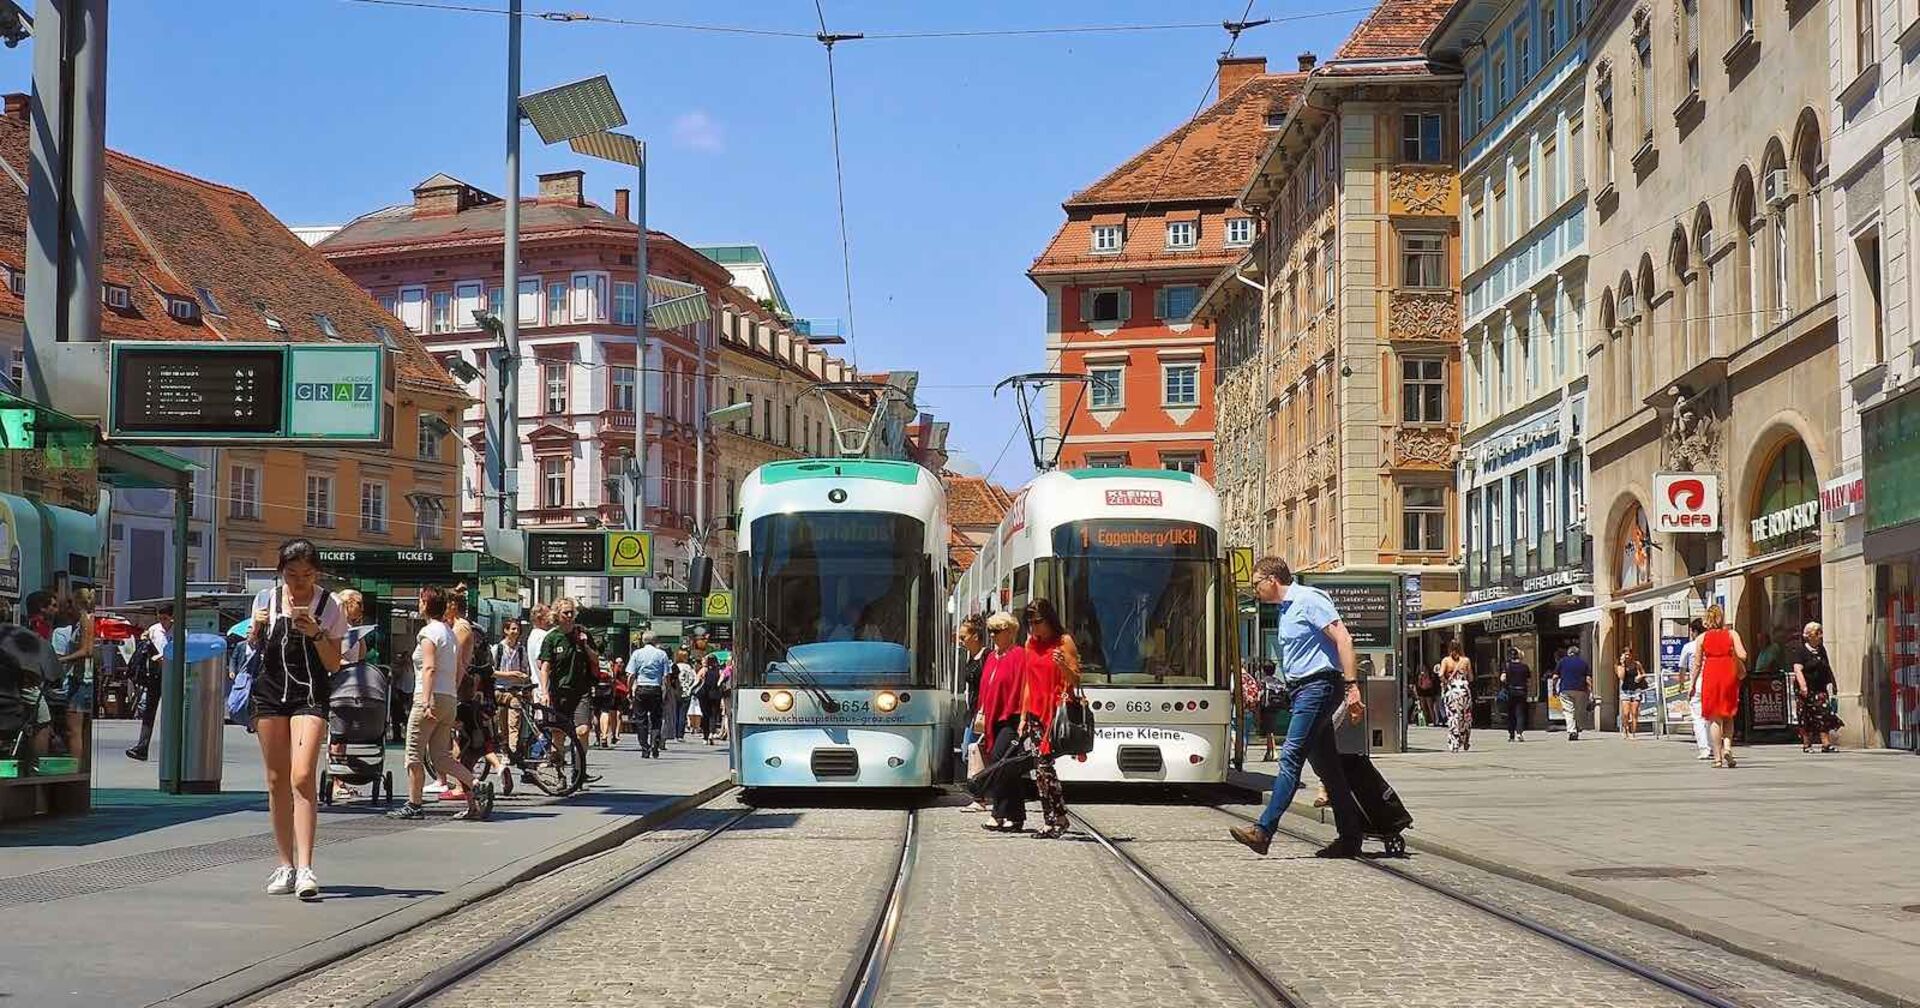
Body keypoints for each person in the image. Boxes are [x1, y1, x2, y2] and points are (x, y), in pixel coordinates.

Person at [1228, 556, 1367, 858]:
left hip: (1319, 686)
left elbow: (1343, 638)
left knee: (1290, 757)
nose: (1255, 591)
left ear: (1272, 580)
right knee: (1328, 768)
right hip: (1302, 690)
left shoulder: (1309, 599)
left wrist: (1352, 686)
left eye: (1256, 584)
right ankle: (1351, 836)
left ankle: (1263, 830)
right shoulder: (1286, 610)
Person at [248, 538, 349, 899]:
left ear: (316, 572)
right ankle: (284, 864)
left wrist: (317, 632)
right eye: (292, 575)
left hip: (310, 695)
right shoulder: (267, 600)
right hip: (270, 694)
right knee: (276, 780)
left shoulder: (330, 603)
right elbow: (255, 649)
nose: (299, 582)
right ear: (281, 573)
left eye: (306, 574)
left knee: (302, 775)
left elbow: (335, 663)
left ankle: (306, 866)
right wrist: (255, 631)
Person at [389, 586, 492, 820]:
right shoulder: (449, 633)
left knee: (413, 754)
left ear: (425, 604)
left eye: (420, 600)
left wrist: (426, 700)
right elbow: (458, 668)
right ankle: (476, 784)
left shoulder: (428, 633)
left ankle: (414, 805)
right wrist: (452, 692)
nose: (419, 603)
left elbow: (429, 667)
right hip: (448, 698)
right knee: (441, 756)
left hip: (430, 697)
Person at [973, 611, 1030, 831]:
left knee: (999, 762)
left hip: (1012, 717)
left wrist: (1023, 718)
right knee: (1007, 767)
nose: (993, 635)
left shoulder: (1019, 655)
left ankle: (998, 813)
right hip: (992, 718)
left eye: (997, 631)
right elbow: (986, 688)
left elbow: (1023, 688)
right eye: (991, 631)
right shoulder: (991, 657)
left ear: (1010, 632)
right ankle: (1015, 816)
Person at [536, 597, 597, 757]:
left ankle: (579, 768)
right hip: (558, 691)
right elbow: (545, 667)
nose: (569, 616)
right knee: (558, 734)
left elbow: (596, 659)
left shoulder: (582, 633)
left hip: (581, 690)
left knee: (582, 730)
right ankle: (559, 772)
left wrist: (585, 645)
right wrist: (544, 692)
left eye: (572, 612)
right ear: (557, 614)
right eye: (565, 613)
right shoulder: (552, 638)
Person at [1693, 605, 1748, 768]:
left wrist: (1691, 685)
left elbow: (1696, 664)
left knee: (1714, 718)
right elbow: (1743, 655)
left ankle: (1717, 758)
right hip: (1728, 675)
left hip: (1710, 676)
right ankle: (1728, 747)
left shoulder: (1701, 638)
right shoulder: (1732, 634)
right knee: (1728, 714)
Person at [48, 598, 93, 757]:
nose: (66, 613)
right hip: (83, 679)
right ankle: (81, 766)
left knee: (74, 730)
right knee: (81, 730)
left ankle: (75, 768)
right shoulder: (84, 622)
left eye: (68, 608)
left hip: (81, 681)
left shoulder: (85, 621)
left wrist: (62, 659)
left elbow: (86, 651)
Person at [1792, 621, 1843, 753]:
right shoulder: (1801, 651)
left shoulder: (1821, 650)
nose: (1820, 636)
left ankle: (1826, 744)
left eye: (1821, 633)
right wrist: (1803, 686)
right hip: (1806, 688)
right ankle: (1807, 744)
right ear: (1809, 636)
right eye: (1817, 633)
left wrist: (1833, 683)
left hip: (1820, 688)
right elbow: (1797, 669)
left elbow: (1827, 666)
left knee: (1824, 714)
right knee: (1805, 715)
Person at [123, 616, 165, 760]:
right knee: (149, 711)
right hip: (155, 675)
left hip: (172, 675)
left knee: (173, 713)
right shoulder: (155, 629)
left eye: (166, 618)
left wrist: (164, 657)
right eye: (161, 618)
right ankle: (142, 747)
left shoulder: (180, 631)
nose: (163, 622)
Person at [957, 616, 988, 807]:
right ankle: (979, 795)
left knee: (975, 753)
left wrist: (983, 709)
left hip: (982, 712)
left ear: (975, 636)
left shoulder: (986, 657)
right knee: (967, 752)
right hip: (973, 712)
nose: (960, 641)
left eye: (963, 637)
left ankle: (980, 797)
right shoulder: (970, 657)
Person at [491, 619, 533, 763]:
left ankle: (513, 750)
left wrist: (523, 677)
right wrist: (511, 674)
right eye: (513, 629)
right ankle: (505, 751)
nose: (516, 632)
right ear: (506, 630)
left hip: (516, 691)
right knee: (502, 724)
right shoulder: (498, 649)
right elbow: (491, 672)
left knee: (514, 722)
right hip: (500, 691)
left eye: (517, 629)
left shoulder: (521, 650)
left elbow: (526, 670)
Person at [627, 630, 670, 757]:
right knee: (656, 718)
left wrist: (629, 690)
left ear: (643, 641)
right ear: (655, 641)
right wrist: (665, 691)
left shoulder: (637, 654)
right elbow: (666, 676)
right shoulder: (662, 654)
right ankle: (655, 743)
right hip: (656, 688)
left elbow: (631, 675)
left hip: (641, 688)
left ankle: (645, 748)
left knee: (641, 719)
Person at [1679, 619, 1712, 759]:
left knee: (1697, 717)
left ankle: (1704, 748)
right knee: (1711, 717)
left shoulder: (1689, 646)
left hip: (1697, 682)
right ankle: (1714, 745)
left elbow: (1682, 668)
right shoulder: (1710, 644)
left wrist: (1682, 684)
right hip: (1711, 682)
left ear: (1694, 631)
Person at [1552, 645, 1593, 741]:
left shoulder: (1562, 662)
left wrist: (1554, 688)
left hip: (1565, 689)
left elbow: (1555, 677)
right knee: (1579, 710)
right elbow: (1588, 679)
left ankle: (1572, 731)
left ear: (1569, 653)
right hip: (1580, 689)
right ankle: (1577, 726)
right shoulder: (1583, 663)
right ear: (1578, 654)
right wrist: (1590, 691)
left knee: (1568, 711)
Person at [1440, 638, 1473, 753]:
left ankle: (1454, 742)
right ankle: (1465, 740)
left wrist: (1446, 682)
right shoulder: (1466, 660)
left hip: (1452, 691)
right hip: (1464, 691)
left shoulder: (1446, 660)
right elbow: (1471, 677)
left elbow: (1440, 675)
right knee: (1466, 716)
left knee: (1453, 716)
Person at [1500, 647, 1531, 742]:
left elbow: (1503, 678)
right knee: (1520, 713)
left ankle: (1511, 734)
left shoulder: (1508, 666)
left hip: (1511, 691)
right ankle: (1519, 733)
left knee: (1511, 713)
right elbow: (1528, 680)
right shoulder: (1525, 667)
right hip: (1522, 691)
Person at [1617, 644, 1647, 740]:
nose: (1627, 656)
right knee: (1626, 713)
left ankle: (1633, 733)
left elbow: (1644, 674)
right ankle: (1626, 730)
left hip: (1636, 690)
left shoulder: (1637, 664)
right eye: (1625, 655)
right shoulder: (1620, 666)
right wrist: (1622, 664)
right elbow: (1621, 677)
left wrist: (1640, 677)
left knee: (1634, 713)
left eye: (1629, 654)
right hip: (1625, 690)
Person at [694, 653, 724, 744]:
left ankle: (705, 737)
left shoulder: (703, 670)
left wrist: (692, 690)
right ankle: (711, 732)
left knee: (705, 715)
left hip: (704, 695)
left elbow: (697, 681)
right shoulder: (719, 671)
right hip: (715, 695)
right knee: (713, 715)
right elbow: (721, 682)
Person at [1414, 658, 1441, 727]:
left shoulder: (1429, 675)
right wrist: (1420, 679)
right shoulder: (1419, 675)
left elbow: (1431, 684)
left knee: (1430, 706)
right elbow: (1418, 684)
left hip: (1428, 691)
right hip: (1422, 691)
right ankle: (1426, 721)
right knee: (1423, 707)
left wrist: (1426, 678)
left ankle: (1434, 720)